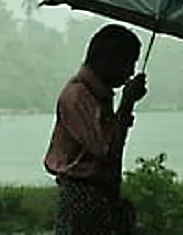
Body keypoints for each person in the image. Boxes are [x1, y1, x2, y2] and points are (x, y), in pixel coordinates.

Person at [44, 24, 148, 235]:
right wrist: (127, 104)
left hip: (99, 197)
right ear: (107, 60)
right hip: (82, 198)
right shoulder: (78, 96)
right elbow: (107, 150)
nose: (130, 72)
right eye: (127, 63)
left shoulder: (98, 96)